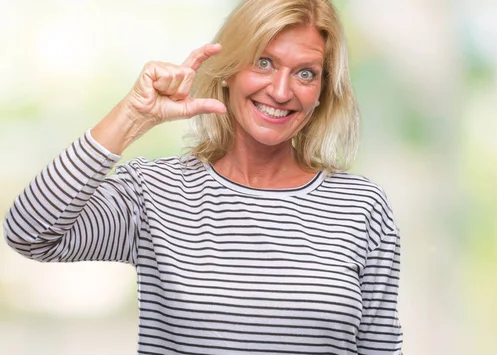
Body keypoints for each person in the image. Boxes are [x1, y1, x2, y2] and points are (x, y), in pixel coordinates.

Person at [3, 0, 402, 354]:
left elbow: (380, 348)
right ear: (228, 70)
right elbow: (28, 233)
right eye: (264, 62)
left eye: (305, 74)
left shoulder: (360, 206)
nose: (281, 91)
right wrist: (132, 116)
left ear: (321, 91)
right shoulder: (154, 192)